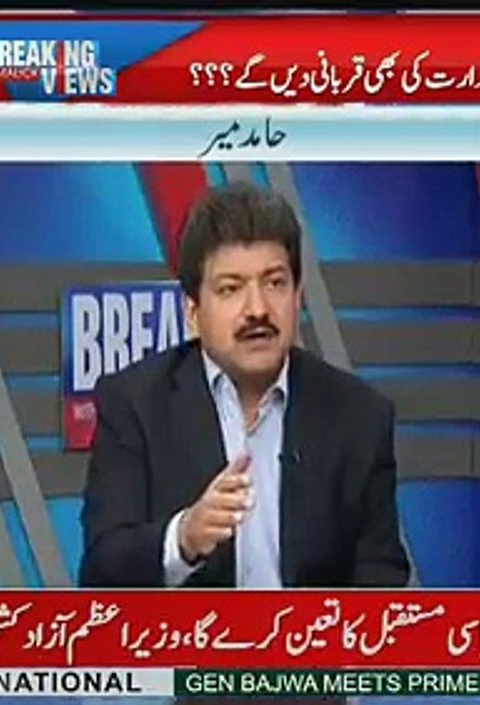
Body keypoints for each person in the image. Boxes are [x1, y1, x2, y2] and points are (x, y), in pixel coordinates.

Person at [79, 183, 410, 588]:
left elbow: (380, 575)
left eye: (274, 283)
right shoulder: (135, 405)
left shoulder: (359, 415)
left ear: (297, 297)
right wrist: (183, 538)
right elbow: (102, 570)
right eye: (231, 289)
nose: (257, 310)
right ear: (193, 312)